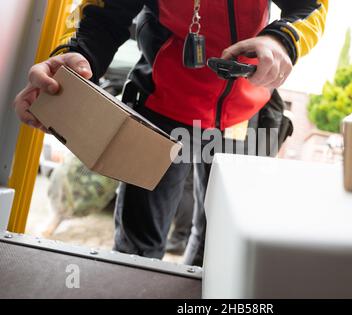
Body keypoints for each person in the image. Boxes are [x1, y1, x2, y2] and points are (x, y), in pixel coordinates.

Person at [14, 0, 328, 266]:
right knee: (138, 246)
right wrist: (78, 53)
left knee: (220, 247)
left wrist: (281, 38)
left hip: (244, 116)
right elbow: (103, 14)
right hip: (161, 109)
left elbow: (312, 6)